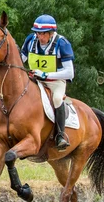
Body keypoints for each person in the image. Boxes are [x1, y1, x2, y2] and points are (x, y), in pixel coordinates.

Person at [21, 14, 74, 150]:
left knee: (57, 99)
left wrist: (46, 75)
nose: (40, 37)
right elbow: (21, 59)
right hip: (34, 79)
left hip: (55, 81)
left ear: (51, 33)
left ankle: (61, 135)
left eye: (43, 34)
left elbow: (70, 72)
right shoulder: (30, 41)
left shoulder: (62, 43)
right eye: (37, 33)